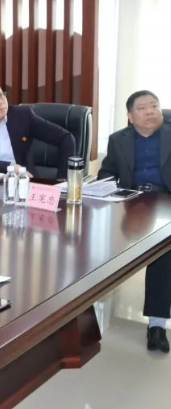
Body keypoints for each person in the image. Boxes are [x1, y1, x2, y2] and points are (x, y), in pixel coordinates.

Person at [99, 90, 171, 353]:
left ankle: (156, 326)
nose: (151, 111)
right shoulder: (118, 140)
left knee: (162, 253)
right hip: (131, 201)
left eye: (154, 106)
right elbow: (108, 173)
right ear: (130, 116)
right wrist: (102, 191)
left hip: (166, 201)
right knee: (96, 239)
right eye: (142, 108)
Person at [0, 80, 75, 178]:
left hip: (24, 182)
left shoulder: (22, 116)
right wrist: (11, 167)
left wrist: (62, 181)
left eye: (0, 95)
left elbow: (66, 138)